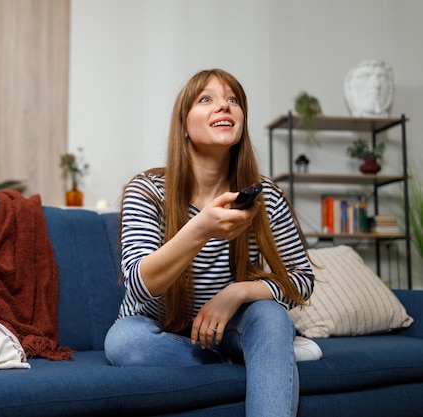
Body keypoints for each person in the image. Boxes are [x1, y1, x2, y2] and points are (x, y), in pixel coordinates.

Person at [104, 68, 315, 417]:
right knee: (123, 342)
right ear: (183, 125)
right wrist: (200, 228)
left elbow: (302, 281)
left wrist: (237, 293)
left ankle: (265, 350)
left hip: (230, 327)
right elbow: (140, 286)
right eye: (207, 99)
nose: (225, 107)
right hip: (158, 330)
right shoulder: (147, 191)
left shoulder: (266, 196)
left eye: (233, 100)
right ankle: (264, 360)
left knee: (271, 317)